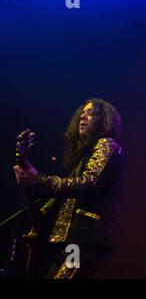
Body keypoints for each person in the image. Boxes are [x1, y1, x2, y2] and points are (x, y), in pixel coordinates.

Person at [13, 98, 125, 279]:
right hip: (66, 241)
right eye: (82, 114)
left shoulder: (107, 144)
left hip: (84, 238)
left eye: (91, 114)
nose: (83, 117)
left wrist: (38, 180)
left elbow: (89, 183)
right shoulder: (83, 157)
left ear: (104, 120)